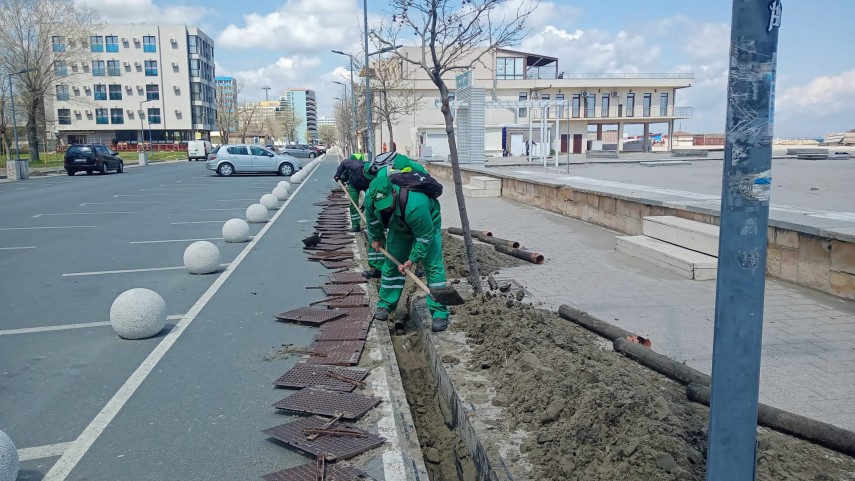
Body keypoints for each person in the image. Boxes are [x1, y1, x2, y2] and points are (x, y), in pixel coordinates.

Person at [364, 174, 449, 332]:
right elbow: (372, 219)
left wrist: (412, 260)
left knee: (433, 266)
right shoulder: (371, 197)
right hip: (398, 225)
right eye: (381, 206)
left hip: (427, 224)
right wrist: (376, 237)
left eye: (388, 205)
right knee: (392, 264)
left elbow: (424, 238)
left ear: (393, 193)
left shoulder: (416, 205)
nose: (385, 208)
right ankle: (385, 304)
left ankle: (439, 312)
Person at [333, 153, 384, 277]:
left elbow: (372, 197)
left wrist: (366, 205)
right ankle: (355, 224)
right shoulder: (355, 165)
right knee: (353, 202)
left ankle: (378, 267)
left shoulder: (374, 178)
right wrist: (338, 175)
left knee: (370, 206)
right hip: (354, 184)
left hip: (367, 189)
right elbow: (344, 163)